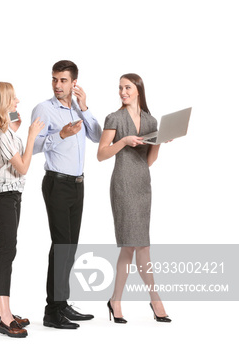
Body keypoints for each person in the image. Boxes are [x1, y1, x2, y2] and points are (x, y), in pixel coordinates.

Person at [32, 60, 102, 329]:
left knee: (71, 247)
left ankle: (62, 303)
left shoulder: (77, 108)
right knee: (61, 245)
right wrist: (60, 134)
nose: (58, 85)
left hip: (77, 184)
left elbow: (96, 137)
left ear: (75, 83)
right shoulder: (44, 109)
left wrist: (84, 108)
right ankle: (52, 311)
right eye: (54, 80)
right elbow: (34, 146)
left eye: (63, 80)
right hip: (57, 183)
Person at [97, 73, 171, 324]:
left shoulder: (151, 121)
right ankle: (155, 299)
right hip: (123, 184)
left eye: (127, 87)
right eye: (120, 88)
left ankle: (115, 300)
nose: (122, 92)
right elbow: (101, 154)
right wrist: (124, 141)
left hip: (142, 185)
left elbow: (148, 161)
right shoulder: (114, 118)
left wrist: (159, 143)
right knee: (135, 245)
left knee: (136, 245)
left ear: (138, 89)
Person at [0, 82, 44, 338]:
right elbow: (23, 167)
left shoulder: (0, 129)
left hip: (8, 194)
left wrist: (15, 124)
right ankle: (6, 318)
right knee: (7, 251)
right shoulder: (0, 134)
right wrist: (30, 136)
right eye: (13, 98)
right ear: (3, 101)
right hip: (4, 196)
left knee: (2, 250)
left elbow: (8, 126)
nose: (18, 100)